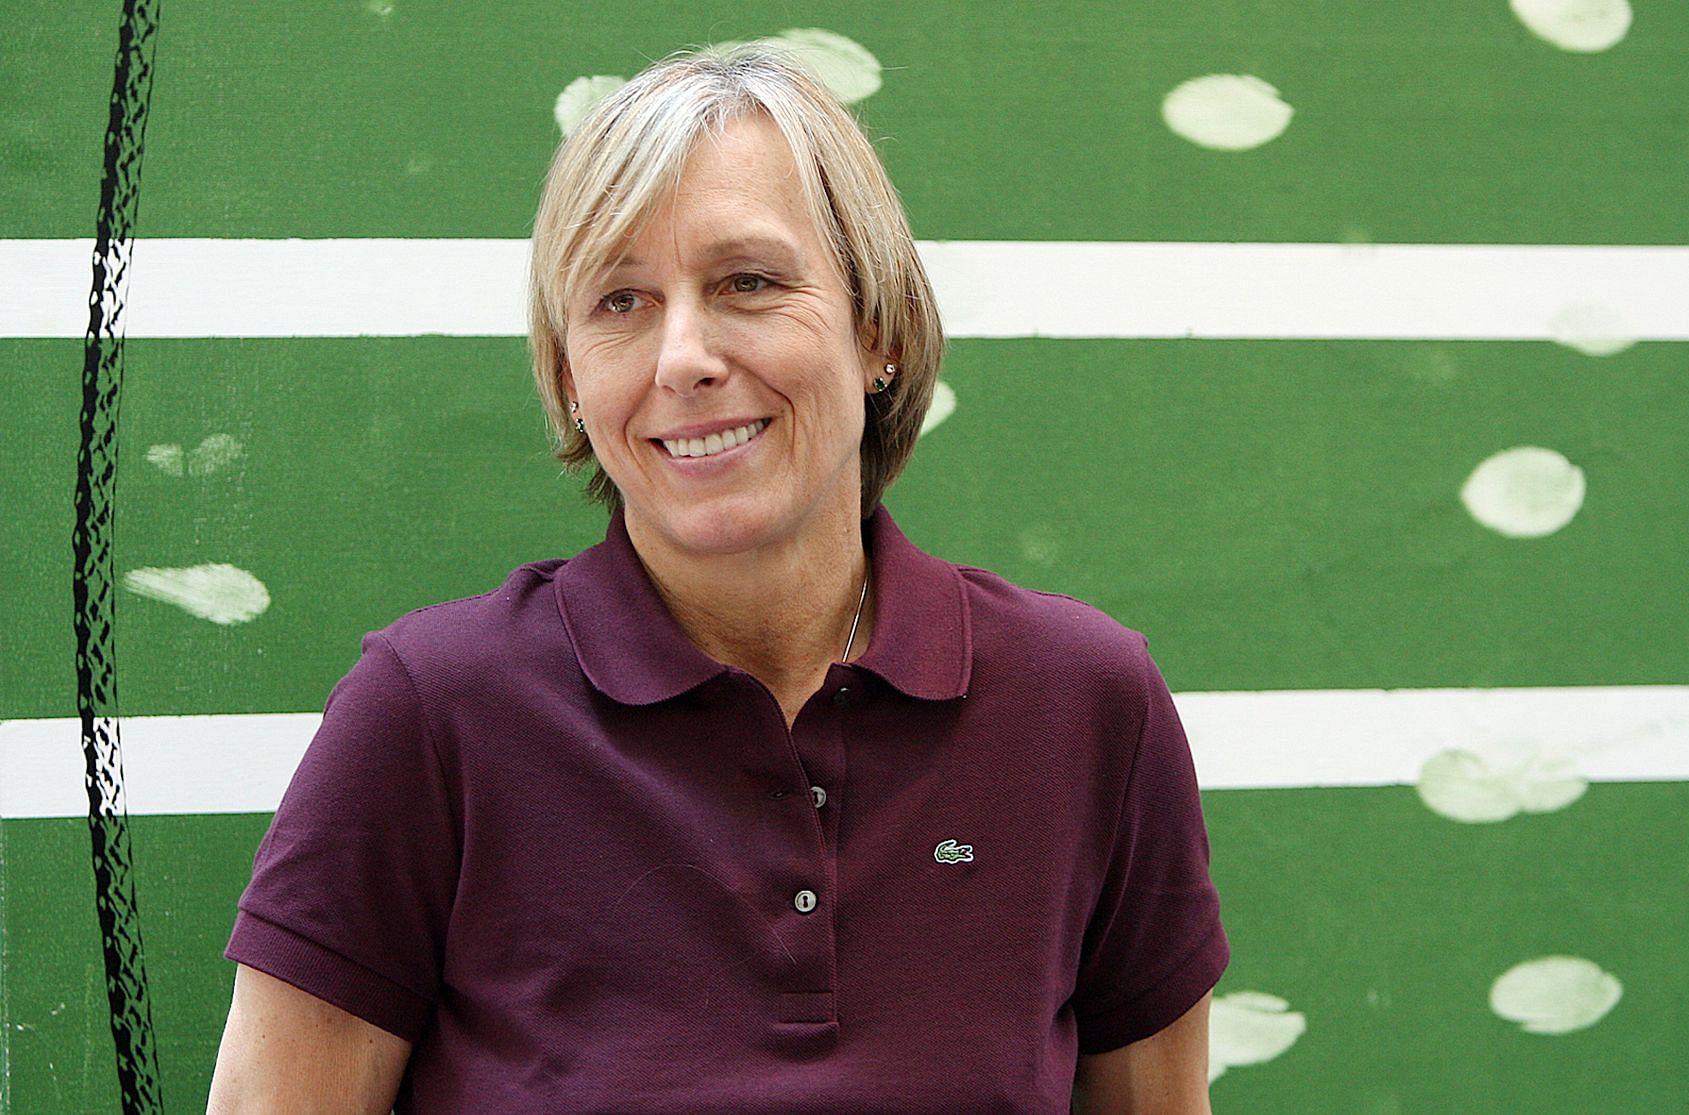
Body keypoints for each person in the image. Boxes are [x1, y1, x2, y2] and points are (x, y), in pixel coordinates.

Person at [208, 43, 1227, 1114]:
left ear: (874, 324)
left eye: (748, 281)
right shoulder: (430, 711)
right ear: (568, 375)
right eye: (619, 302)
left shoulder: (1088, 704)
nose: (681, 356)